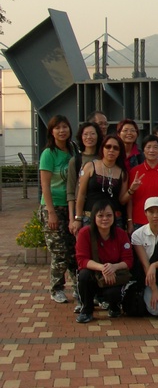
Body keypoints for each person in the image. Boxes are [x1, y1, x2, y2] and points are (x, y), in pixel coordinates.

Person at [74, 200, 134, 323]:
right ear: (94, 217)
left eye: (109, 215)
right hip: (94, 274)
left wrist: (114, 267)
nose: (105, 219)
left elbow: (128, 261)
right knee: (84, 275)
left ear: (114, 216)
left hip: (113, 276)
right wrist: (103, 268)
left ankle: (114, 307)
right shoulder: (85, 233)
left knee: (114, 293)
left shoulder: (121, 234)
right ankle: (87, 310)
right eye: (100, 215)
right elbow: (82, 260)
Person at [40, 114, 78, 305]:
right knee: (59, 251)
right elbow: (45, 186)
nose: (62, 131)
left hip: (70, 207)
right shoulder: (49, 153)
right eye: (57, 128)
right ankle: (57, 289)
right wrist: (51, 212)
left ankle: (79, 289)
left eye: (65, 127)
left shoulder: (73, 150)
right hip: (53, 207)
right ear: (51, 132)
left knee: (73, 251)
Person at [73, 134, 130, 231]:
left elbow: (122, 200)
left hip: (113, 219)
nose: (111, 150)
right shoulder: (90, 166)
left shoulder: (123, 173)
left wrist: (132, 189)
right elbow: (81, 194)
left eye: (116, 148)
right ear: (102, 148)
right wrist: (78, 218)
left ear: (120, 152)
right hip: (90, 217)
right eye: (108, 146)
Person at [67, 121, 101, 230]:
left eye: (92, 133)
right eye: (85, 134)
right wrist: (73, 219)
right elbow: (71, 191)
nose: (89, 137)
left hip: (101, 210)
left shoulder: (103, 159)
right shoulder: (75, 160)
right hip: (81, 212)